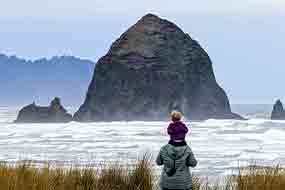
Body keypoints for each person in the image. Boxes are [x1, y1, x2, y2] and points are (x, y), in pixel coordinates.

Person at [156, 111, 197, 190]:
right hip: (183, 185)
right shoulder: (187, 149)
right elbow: (193, 163)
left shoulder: (164, 149)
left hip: (166, 185)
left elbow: (158, 162)